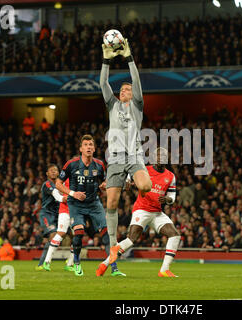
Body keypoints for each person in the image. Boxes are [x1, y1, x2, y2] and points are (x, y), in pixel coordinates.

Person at [99, 38, 152, 260]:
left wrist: (129, 58)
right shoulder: (113, 105)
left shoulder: (137, 105)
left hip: (134, 156)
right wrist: (106, 61)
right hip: (116, 159)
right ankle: (113, 246)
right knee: (111, 203)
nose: (124, 90)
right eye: (122, 89)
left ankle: (132, 183)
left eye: (127, 89)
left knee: (146, 186)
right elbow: (103, 84)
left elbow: (136, 81)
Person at [56, 134, 124, 277]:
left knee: (107, 234)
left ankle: (114, 268)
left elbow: (104, 181)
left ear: (94, 149)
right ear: (81, 148)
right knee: (79, 232)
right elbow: (58, 183)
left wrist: (104, 185)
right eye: (86, 145)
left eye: (91, 145)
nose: (88, 147)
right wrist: (73, 193)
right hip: (76, 204)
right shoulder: (72, 164)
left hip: (94, 204)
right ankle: (76, 263)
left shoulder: (99, 165)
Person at [106, 147, 181, 277]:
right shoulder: (145, 169)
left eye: (163, 156)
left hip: (157, 212)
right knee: (131, 240)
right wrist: (128, 180)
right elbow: (130, 172)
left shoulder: (170, 176)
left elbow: (172, 197)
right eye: (157, 156)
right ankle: (105, 263)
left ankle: (164, 270)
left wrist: (167, 199)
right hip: (142, 210)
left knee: (175, 235)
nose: (160, 158)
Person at [35, 164, 67, 271]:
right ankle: (43, 263)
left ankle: (71, 262)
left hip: (59, 214)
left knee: (71, 234)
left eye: (55, 170)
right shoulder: (47, 184)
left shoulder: (61, 184)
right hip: (47, 214)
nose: (53, 172)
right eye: (51, 170)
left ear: (58, 173)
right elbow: (56, 195)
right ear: (47, 174)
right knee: (53, 236)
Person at [42, 177, 75, 272]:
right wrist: (61, 198)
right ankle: (47, 261)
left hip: (76, 211)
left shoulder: (81, 178)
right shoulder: (65, 179)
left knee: (77, 236)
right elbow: (56, 191)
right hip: (65, 210)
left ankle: (70, 263)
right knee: (60, 233)